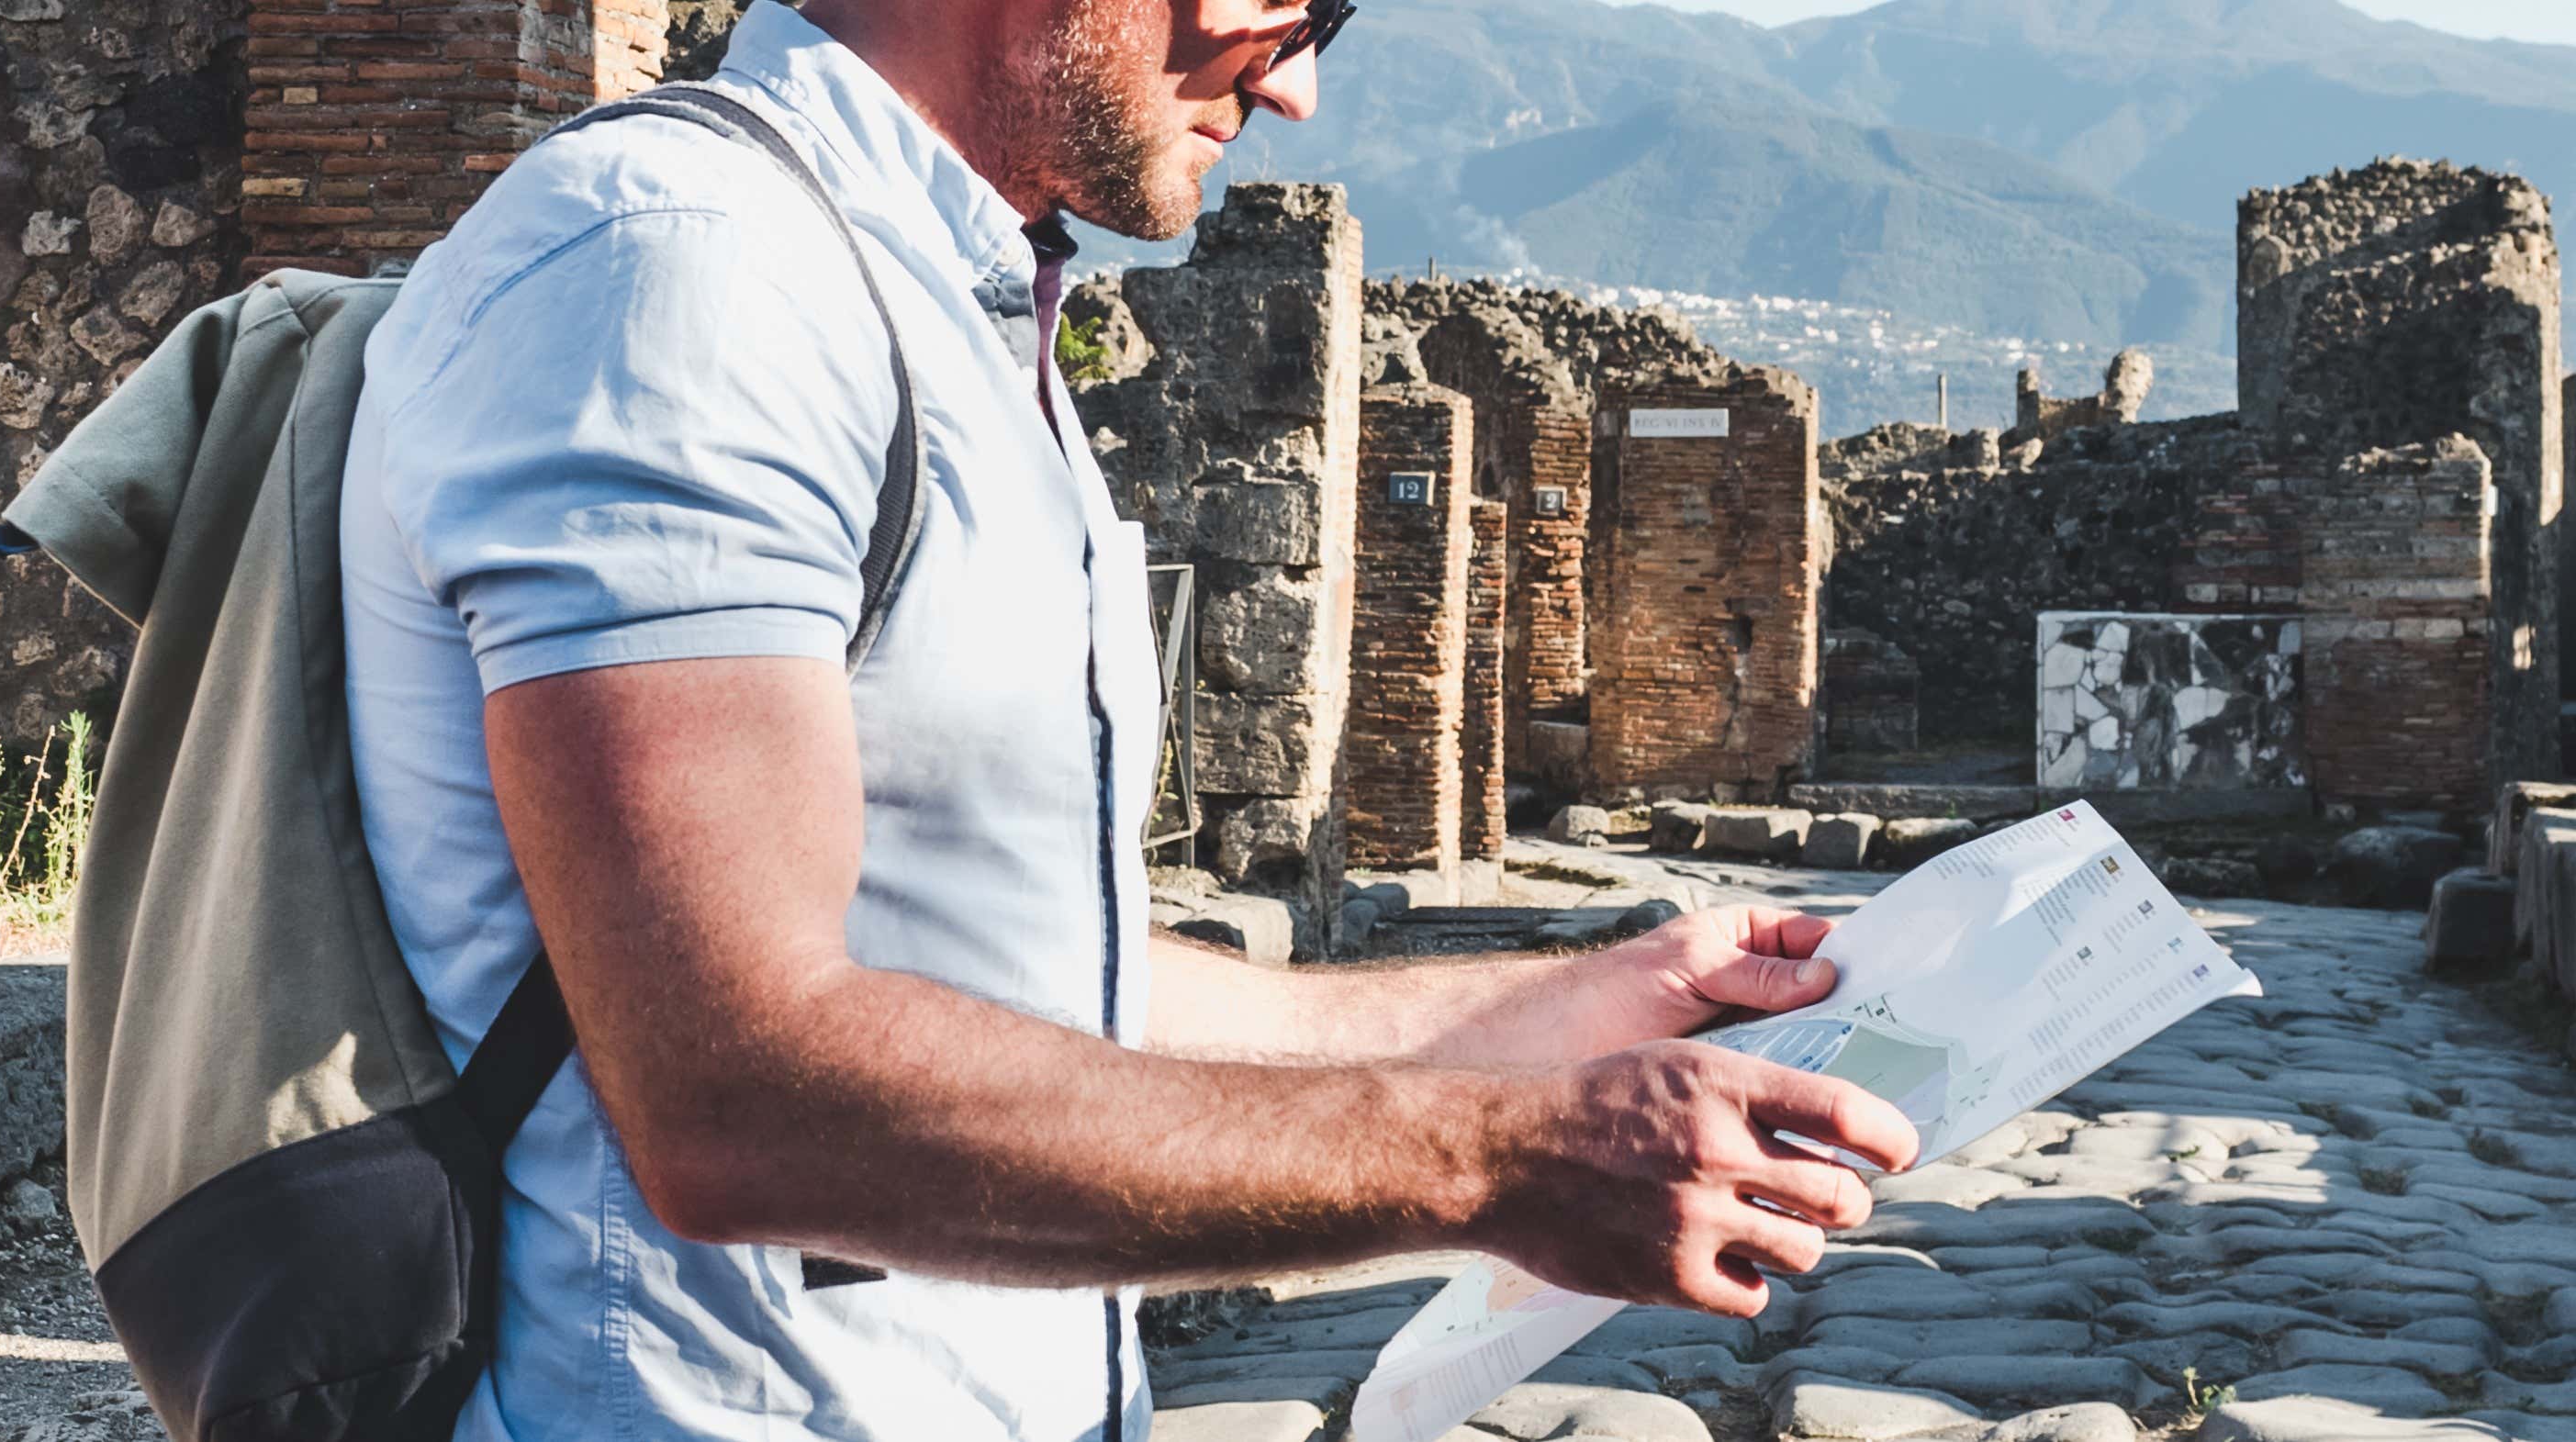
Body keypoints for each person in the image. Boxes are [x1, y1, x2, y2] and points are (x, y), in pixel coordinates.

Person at [331, 0, 1923, 1436]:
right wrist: (1488, 1163)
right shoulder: (683, 274)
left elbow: (1032, 981)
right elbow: (740, 1093)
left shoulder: (932, 304)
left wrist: (1577, 1009)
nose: (1296, 83)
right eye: (1287, 3)